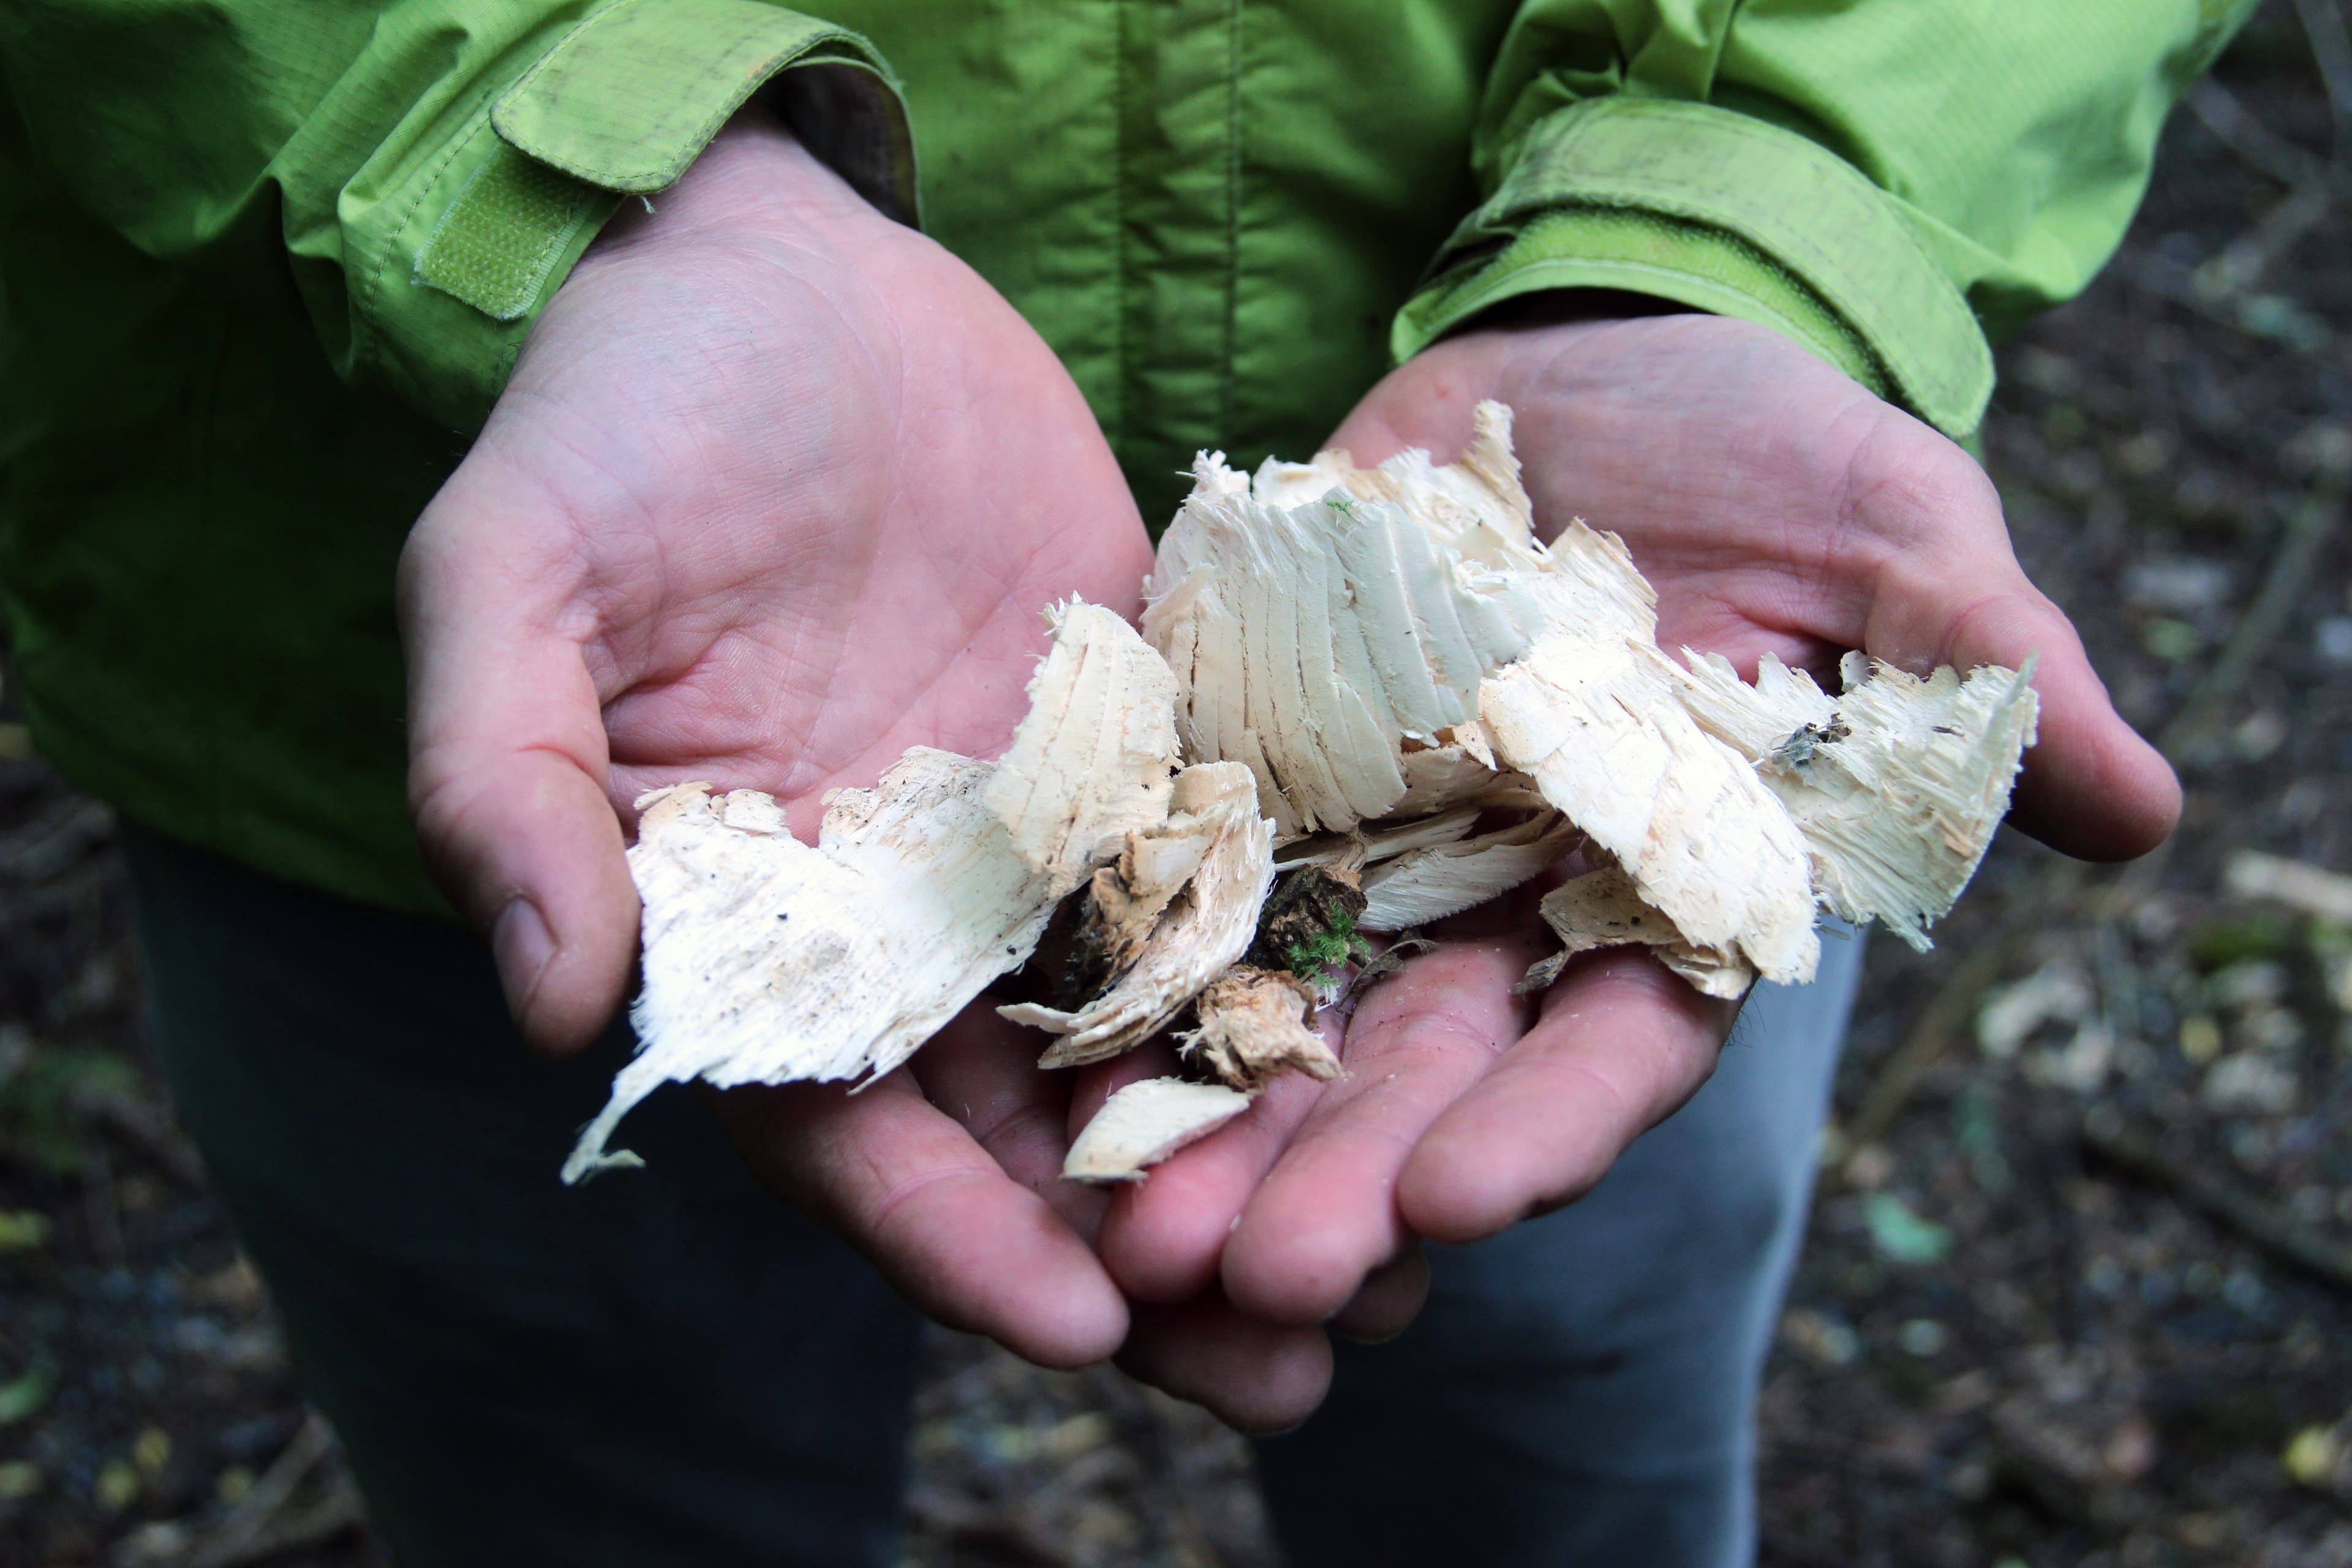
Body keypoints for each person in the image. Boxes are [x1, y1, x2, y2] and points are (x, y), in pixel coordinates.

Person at [0, 2, 2214, 1562]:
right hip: (541, 666)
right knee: (592, 1478)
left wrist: (1752, 209)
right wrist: (558, 163)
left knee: (1558, 1442)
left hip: (1598, 728)